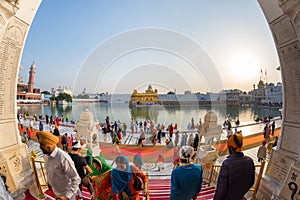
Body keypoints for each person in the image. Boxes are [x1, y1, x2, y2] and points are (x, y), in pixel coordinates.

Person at [36, 131, 81, 200]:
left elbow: (76, 179)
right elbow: (49, 170)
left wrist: (66, 197)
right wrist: (49, 182)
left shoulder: (63, 158)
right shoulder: (46, 156)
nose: (40, 147)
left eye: (42, 144)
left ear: (50, 144)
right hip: (56, 192)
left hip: (66, 195)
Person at [214, 133, 255, 200]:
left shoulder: (227, 164)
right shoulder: (250, 161)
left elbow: (221, 190)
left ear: (230, 148)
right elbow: (251, 182)